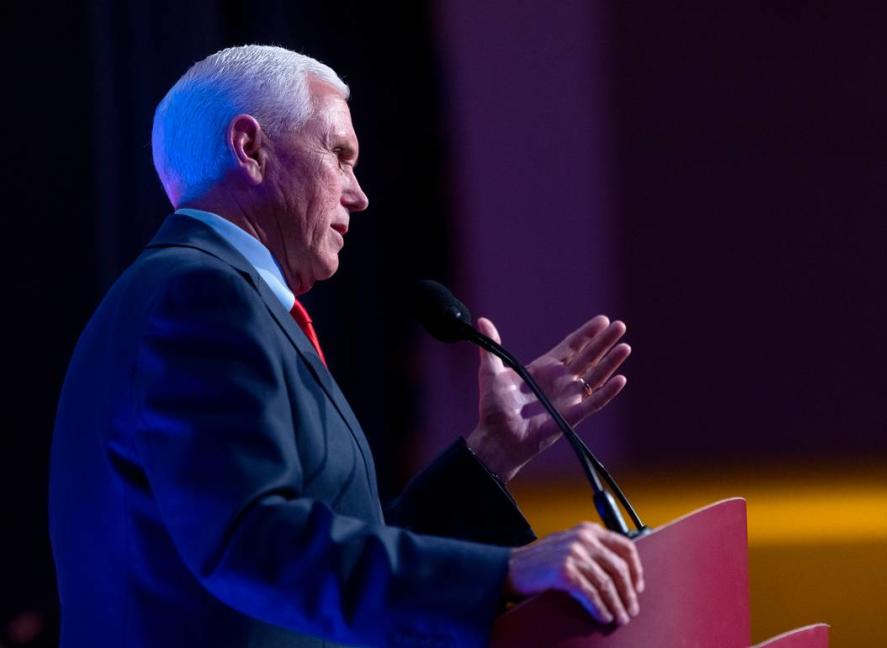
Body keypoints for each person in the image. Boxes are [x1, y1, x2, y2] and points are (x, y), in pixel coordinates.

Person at [49, 45, 643, 647]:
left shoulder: (196, 295)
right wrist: (504, 571)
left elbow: (323, 554)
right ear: (250, 148)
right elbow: (254, 542)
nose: (358, 195)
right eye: (339, 156)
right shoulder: (201, 298)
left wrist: (489, 456)